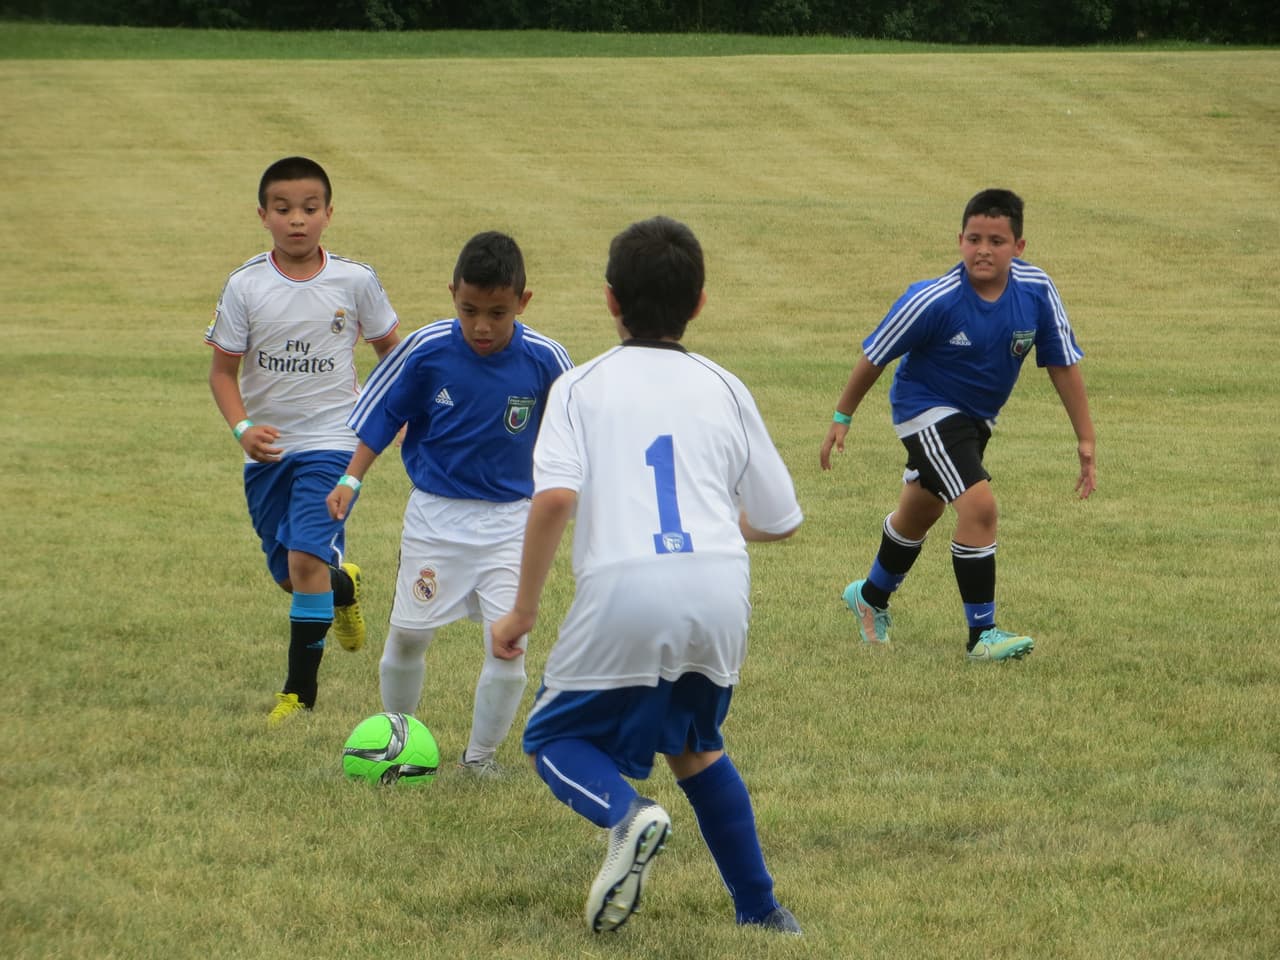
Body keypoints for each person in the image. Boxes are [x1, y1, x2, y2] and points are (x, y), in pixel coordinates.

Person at [490, 216, 804, 935]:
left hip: (626, 586)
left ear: (610, 299)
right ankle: (762, 912)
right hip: (719, 588)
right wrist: (715, 525)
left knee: (550, 740)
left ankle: (627, 815)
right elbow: (781, 518)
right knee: (694, 745)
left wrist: (523, 611)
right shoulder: (725, 385)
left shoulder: (579, 386)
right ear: (699, 303)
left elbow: (555, 498)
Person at [327, 231, 572, 778]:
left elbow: (579, 436)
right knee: (408, 636)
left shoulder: (546, 360)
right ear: (452, 296)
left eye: (497, 313)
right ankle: (397, 743)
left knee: (508, 644)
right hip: (435, 518)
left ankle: (479, 760)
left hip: (513, 524)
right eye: (468, 310)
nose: (481, 325)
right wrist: (351, 479)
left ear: (523, 303)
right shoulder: (427, 348)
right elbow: (384, 415)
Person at [820, 188, 1096, 661]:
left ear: (1019, 247)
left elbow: (1062, 364)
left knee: (920, 511)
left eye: (997, 241)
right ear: (960, 240)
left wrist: (1085, 439)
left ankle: (869, 596)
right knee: (979, 507)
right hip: (924, 409)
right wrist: (842, 417)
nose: (983, 250)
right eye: (974, 239)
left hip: (975, 421)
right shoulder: (933, 299)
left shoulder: (1036, 290)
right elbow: (875, 354)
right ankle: (981, 636)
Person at [206, 156, 402, 727]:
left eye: (309, 209)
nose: (297, 219)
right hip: (270, 453)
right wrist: (243, 429)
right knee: (293, 577)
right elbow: (222, 374)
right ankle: (343, 586)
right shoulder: (245, 285)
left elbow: (394, 353)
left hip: (336, 440)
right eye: (284, 209)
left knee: (304, 558)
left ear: (328, 214)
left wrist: (398, 413)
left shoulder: (355, 281)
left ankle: (299, 696)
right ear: (263, 215)